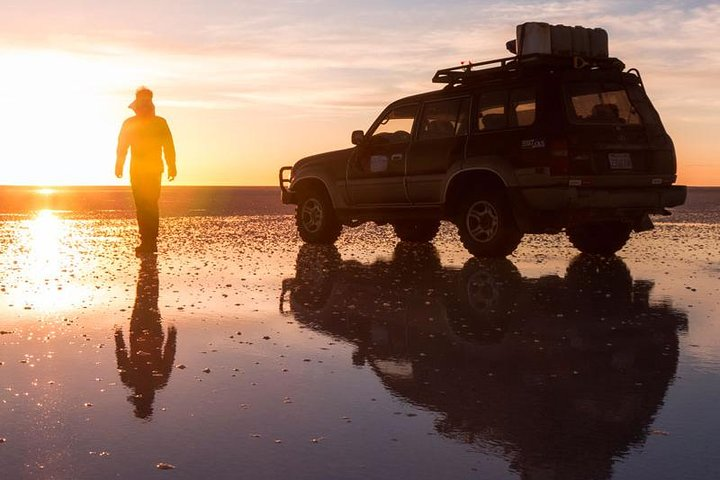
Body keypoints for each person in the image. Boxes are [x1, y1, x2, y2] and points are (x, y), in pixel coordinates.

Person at [115, 86, 176, 256]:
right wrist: (119, 164)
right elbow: (122, 145)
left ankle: (150, 241)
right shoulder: (131, 123)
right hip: (139, 170)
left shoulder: (159, 122)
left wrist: (172, 165)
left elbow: (168, 145)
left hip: (152, 170)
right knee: (144, 206)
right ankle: (147, 241)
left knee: (148, 205)